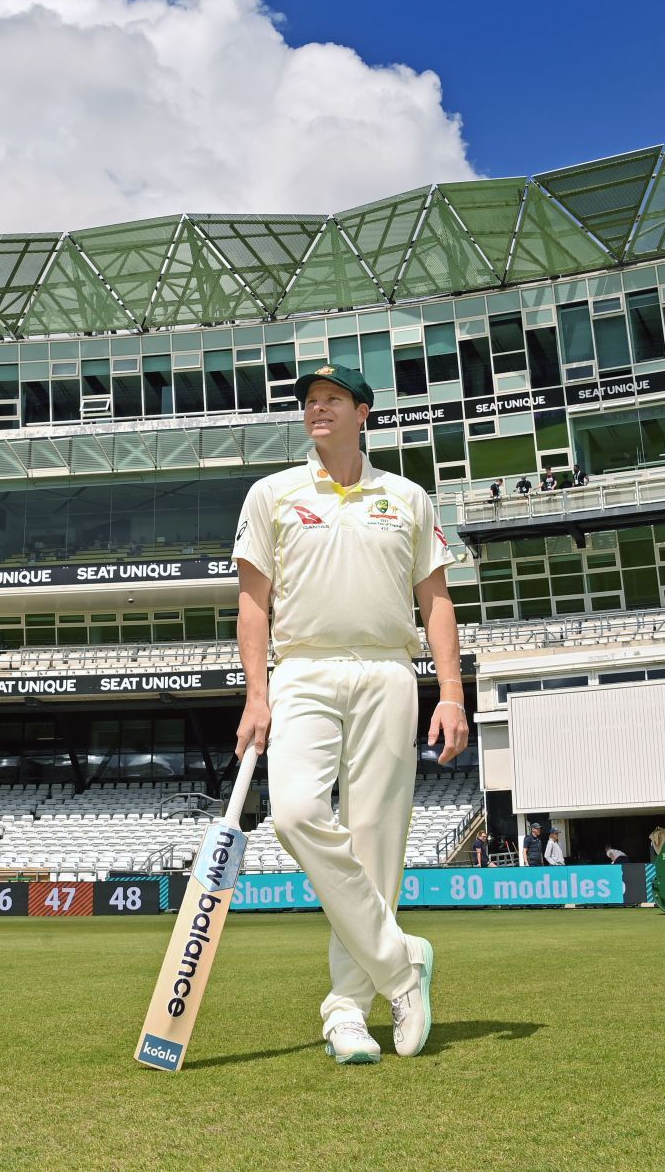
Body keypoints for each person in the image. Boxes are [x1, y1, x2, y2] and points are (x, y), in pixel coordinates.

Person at [231, 364, 463, 1067]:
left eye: (332, 399)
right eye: (309, 401)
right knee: (296, 813)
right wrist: (257, 693)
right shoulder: (272, 494)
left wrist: (451, 692)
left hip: (391, 672)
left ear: (364, 413)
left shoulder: (408, 498)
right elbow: (252, 604)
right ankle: (401, 966)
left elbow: (437, 602)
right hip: (303, 669)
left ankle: (349, 1014)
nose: (317, 409)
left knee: (376, 849)